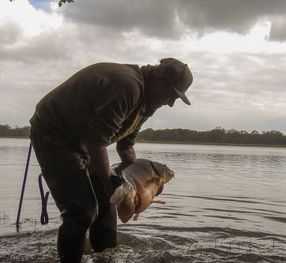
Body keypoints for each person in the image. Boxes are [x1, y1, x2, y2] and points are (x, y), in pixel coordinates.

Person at [29, 57, 193, 263]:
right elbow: (96, 141)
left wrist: (137, 186)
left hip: (83, 143)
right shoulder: (128, 87)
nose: (170, 103)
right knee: (82, 211)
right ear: (159, 79)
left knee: (108, 203)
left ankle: (104, 258)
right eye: (172, 95)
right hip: (53, 133)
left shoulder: (146, 103)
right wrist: (110, 185)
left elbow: (126, 147)